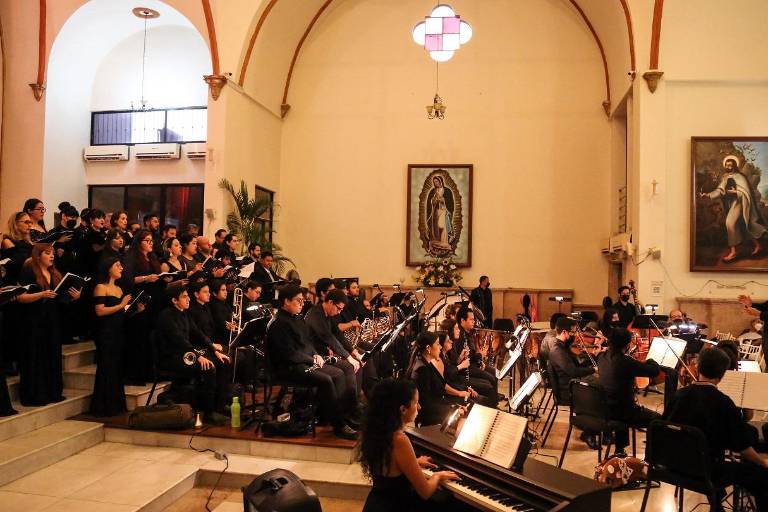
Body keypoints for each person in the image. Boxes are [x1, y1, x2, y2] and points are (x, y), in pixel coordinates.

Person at [664, 347, 768, 510]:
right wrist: (762, 462)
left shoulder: (678, 395)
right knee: (761, 475)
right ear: (722, 375)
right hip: (705, 472)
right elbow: (742, 448)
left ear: (698, 368)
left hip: (674, 466)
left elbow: (664, 428)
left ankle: (717, 505)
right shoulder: (723, 402)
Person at [265, 284, 358, 440]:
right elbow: (289, 354)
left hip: (302, 362)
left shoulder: (298, 318)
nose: (302, 304)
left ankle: (341, 417)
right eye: (298, 300)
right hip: (288, 367)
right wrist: (311, 359)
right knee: (326, 380)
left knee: (338, 373)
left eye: (303, 300)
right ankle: (339, 425)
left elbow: (307, 343)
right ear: (286, 301)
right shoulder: (279, 323)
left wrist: (316, 354)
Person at [358, 378, 462, 512]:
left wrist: (415, 462)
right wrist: (438, 476)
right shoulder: (399, 439)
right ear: (403, 409)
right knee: (449, 502)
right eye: (416, 403)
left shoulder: (379, 431)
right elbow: (425, 491)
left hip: (376, 502)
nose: (419, 407)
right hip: (395, 506)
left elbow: (392, 468)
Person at [17, 243, 81, 405]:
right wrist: (41, 294)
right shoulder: (29, 271)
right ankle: (36, 394)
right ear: (38, 256)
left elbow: (60, 299)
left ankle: (53, 392)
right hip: (34, 320)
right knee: (36, 356)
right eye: (47, 253)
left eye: (52, 253)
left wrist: (74, 297)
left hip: (52, 319)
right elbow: (21, 297)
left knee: (52, 354)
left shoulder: (55, 273)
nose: (52, 256)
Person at [155, 286, 230, 425]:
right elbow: (178, 340)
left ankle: (219, 406)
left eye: (188, 296)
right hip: (171, 358)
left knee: (222, 361)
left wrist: (214, 350)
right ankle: (207, 412)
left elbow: (198, 334)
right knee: (209, 368)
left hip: (186, 353)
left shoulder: (184, 313)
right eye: (184, 296)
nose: (188, 299)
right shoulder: (166, 316)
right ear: (174, 300)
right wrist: (198, 356)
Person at [597, 328, 661, 455]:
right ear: (627, 345)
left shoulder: (601, 357)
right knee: (658, 421)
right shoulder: (625, 362)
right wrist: (651, 360)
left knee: (620, 397)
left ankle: (620, 450)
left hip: (605, 409)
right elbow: (654, 371)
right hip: (624, 412)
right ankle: (650, 458)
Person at [304, 289, 361, 420]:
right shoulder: (315, 314)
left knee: (355, 363)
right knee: (348, 366)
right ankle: (348, 410)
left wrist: (353, 351)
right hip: (313, 356)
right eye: (339, 308)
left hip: (323, 353)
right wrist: (348, 357)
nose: (339, 312)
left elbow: (337, 335)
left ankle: (353, 404)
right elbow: (329, 337)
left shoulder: (328, 314)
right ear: (330, 302)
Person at [700, 156, 767, 263]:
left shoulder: (740, 177)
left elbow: (746, 193)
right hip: (732, 203)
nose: (728, 167)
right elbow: (720, 190)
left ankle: (733, 252)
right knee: (743, 225)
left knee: (730, 223)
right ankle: (758, 245)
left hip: (741, 203)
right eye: (727, 165)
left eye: (730, 165)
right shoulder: (725, 177)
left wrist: (735, 192)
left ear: (735, 166)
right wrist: (708, 195)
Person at [547, 316, 599, 448]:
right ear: (564, 332)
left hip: (572, 384)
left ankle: (595, 428)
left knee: (600, 384)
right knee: (599, 392)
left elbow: (577, 365)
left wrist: (593, 356)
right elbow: (573, 371)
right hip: (567, 391)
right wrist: (593, 370)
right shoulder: (557, 350)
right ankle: (589, 432)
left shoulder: (563, 347)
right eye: (573, 332)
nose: (575, 335)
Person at [90, 257, 131, 417]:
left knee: (117, 367)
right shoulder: (101, 287)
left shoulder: (119, 289)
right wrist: (121, 305)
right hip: (105, 332)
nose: (121, 268)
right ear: (108, 268)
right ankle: (103, 406)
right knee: (106, 366)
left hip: (118, 331)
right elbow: (100, 311)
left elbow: (121, 312)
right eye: (117, 265)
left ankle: (116, 404)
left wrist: (134, 309)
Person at [407, 331, 463, 427]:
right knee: (464, 417)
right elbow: (427, 405)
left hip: (437, 406)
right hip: (430, 415)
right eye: (437, 344)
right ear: (428, 348)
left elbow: (442, 383)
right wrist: (453, 409)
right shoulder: (422, 369)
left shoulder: (426, 362)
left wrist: (456, 402)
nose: (440, 347)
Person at [447, 306, 498, 397]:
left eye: (473, 319)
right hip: (465, 370)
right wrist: (480, 355)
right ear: (463, 320)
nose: (473, 322)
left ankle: (494, 397)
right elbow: (465, 360)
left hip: (469, 366)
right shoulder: (460, 336)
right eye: (471, 319)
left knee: (493, 372)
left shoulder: (467, 333)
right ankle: (492, 399)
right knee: (490, 379)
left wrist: (479, 361)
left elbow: (467, 356)